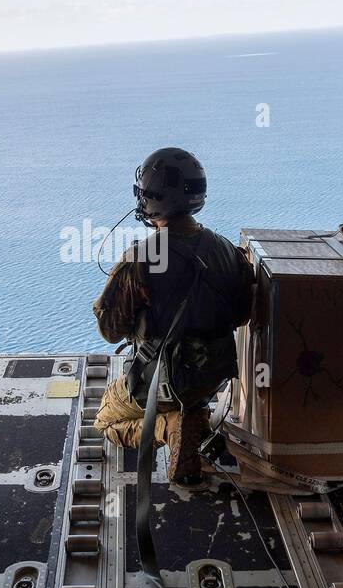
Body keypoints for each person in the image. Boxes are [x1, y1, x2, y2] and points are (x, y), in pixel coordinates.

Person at [92, 148, 254, 483]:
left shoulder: (139, 258)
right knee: (186, 397)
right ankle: (193, 415)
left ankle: (170, 427)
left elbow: (110, 330)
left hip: (161, 383)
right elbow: (240, 316)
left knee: (105, 418)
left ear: (151, 200)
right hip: (211, 378)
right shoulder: (227, 249)